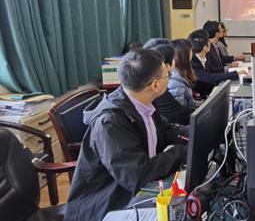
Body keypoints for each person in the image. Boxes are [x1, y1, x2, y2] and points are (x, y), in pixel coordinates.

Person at [65, 49, 189, 221]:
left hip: (132, 191)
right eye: (167, 75)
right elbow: (138, 175)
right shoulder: (110, 123)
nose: (170, 77)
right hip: (107, 205)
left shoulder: (143, 101)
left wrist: (199, 133)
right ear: (155, 85)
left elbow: (165, 130)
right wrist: (182, 152)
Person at [144, 38, 194, 125]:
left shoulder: (150, 83)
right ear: (164, 64)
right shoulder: (158, 88)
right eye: (174, 58)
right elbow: (179, 115)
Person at [189, 29, 246, 96]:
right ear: (205, 48)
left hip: (211, 90)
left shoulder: (203, 57)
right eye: (208, 41)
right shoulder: (193, 63)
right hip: (203, 96)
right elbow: (208, 77)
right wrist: (235, 74)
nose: (210, 42)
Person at [169, 38, 198, 109]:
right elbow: (179, 112)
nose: (192, 54)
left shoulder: (181, 72)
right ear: (184, 55)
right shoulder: (175, 82)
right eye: (191, 51)